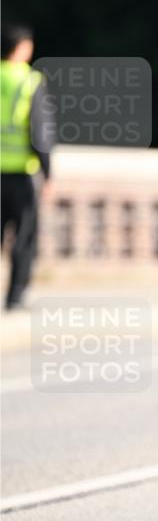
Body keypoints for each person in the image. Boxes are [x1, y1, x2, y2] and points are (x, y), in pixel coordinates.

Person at [1, 24, 54, 309]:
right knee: (23, 238)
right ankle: (15, 297)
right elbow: (40, 132)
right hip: (21, 173)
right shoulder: (29, 81)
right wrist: (48, 172)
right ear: (21, 48)